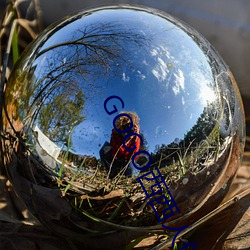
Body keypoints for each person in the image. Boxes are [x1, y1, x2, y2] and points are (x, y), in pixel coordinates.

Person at [100, 111, 141, 178]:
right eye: (125, 126)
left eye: (130, 126)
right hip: (116, 160)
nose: (127, 130)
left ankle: (127, 174)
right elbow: (114, 153)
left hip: (128, 162)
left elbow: (134, 157)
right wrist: (124, 142)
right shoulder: (116, 135)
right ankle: (111, 172)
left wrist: (135, 140)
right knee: (104, 149)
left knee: (132, 169)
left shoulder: (136, 138)